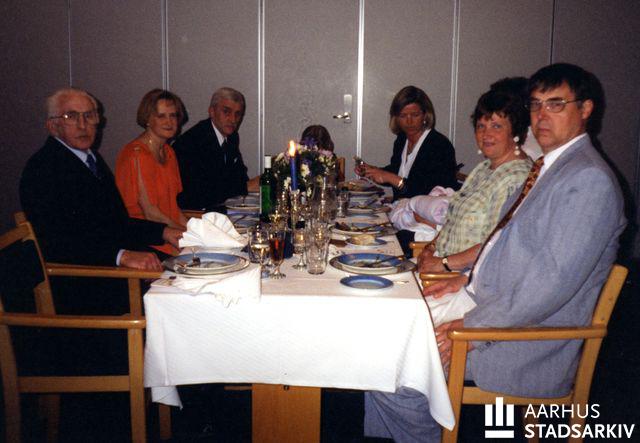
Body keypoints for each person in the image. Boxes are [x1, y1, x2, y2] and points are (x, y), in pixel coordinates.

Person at [364, 64, 626, 442]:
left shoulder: (588, 180)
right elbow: (505, 244)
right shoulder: (550, 167)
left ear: (585, 109)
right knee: (379, 331)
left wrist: (473, 326)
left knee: (389, 362)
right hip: (489, 302)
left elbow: (548, 287)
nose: (541, 116)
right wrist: (464, 279)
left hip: (527, 337)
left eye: (556, 104)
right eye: (536, 105)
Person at [20, 87, 182, 314]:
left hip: (110, 267)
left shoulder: (90, 159)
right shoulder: (42, 169)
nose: (82, 125)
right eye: (71, 116)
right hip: (84, 285)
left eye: (89, 115)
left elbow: (117, 222)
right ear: (52, 125)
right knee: (183, 295)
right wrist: (121, 256)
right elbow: (58, 243)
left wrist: (164, 232)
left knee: (193, 273)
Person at [417, 85, 532, 272]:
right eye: (481, 126)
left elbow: (495, 244)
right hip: (442, 265)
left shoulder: (516, 179)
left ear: (516, 132)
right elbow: (452, 222)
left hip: (465, 276)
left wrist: (443, 264)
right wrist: (430, 248)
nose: (486, 134)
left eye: (496, 126)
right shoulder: (484, 168)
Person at [115, 89, 187, 256]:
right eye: (161, 116)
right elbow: (150, 213)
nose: (169, 122)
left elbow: (174, 208)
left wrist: (197, 231)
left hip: (171, 236)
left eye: (173, 115)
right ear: (147, 119)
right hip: (146, 243)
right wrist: (190, 236)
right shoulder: (136, 154)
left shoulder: (169, 152)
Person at [355, 85, 459, 201]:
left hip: (428, 210)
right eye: (403, 116)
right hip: (403, 208)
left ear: (425, 115)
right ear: (396, 118)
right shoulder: (402, 139)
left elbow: (426, 191)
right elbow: (397, 172)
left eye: (415, 115)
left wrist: (389, 177)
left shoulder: (439, 145)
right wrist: (373, 171)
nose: (409, 121)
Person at [174, 87, 249, 211]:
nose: (233, 119)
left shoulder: (232, 137)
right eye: (226, 112)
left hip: (219, 208)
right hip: (194, 212)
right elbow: (204, 192)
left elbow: (240, 175)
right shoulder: (192, 142)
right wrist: (246, 187)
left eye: (237, 114)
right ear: (212, 111)